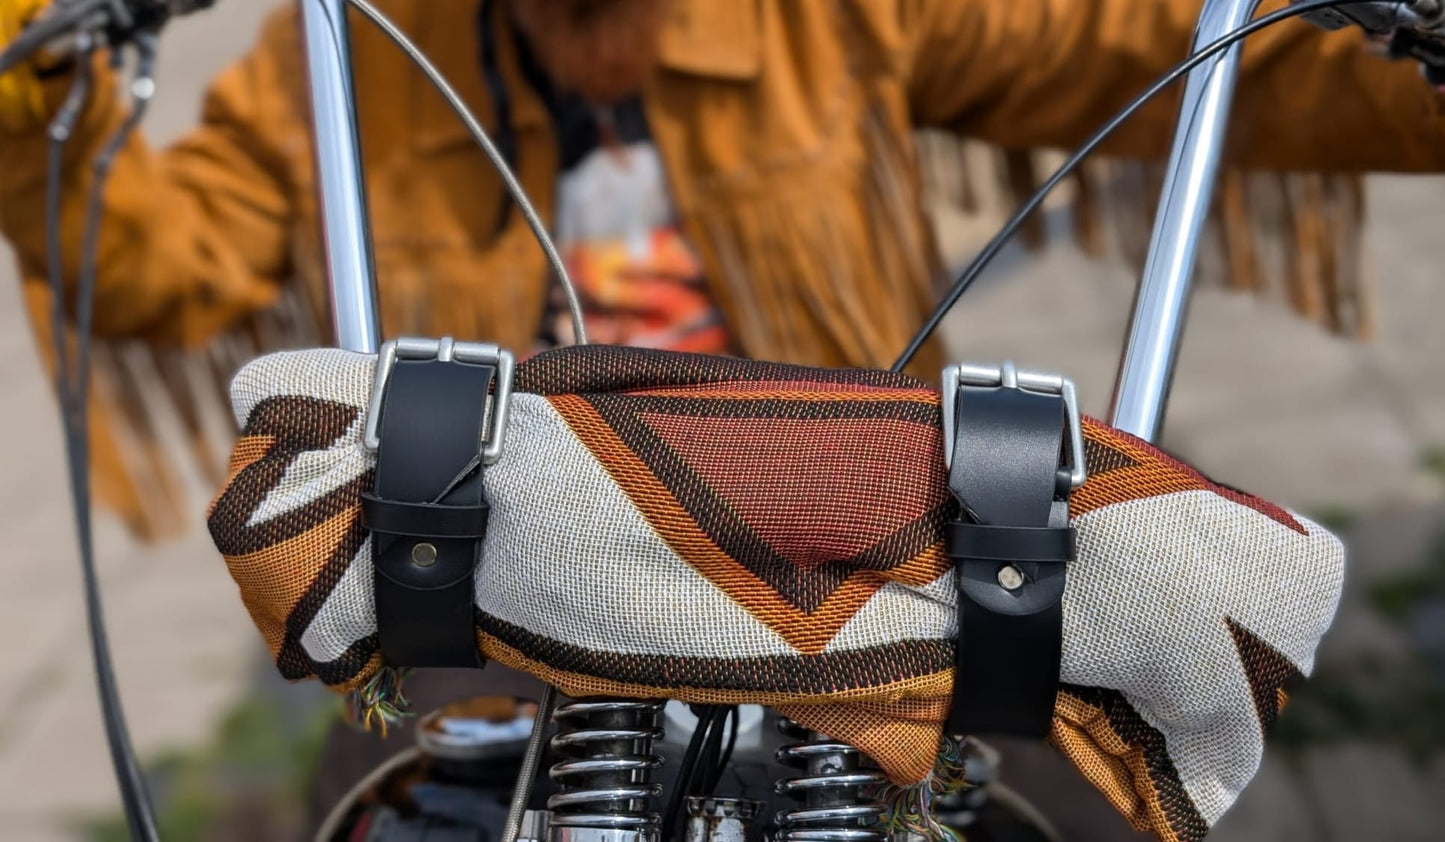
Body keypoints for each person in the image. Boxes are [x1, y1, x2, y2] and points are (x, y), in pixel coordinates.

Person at [2, 0, 1444, 834]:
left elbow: (1160, 50)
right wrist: (27, 81)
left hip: (849, 556)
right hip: (493, 580)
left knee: (1082, 804)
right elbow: (153, 257)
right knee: (378, 802)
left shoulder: (834, 12)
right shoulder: (341, 56)